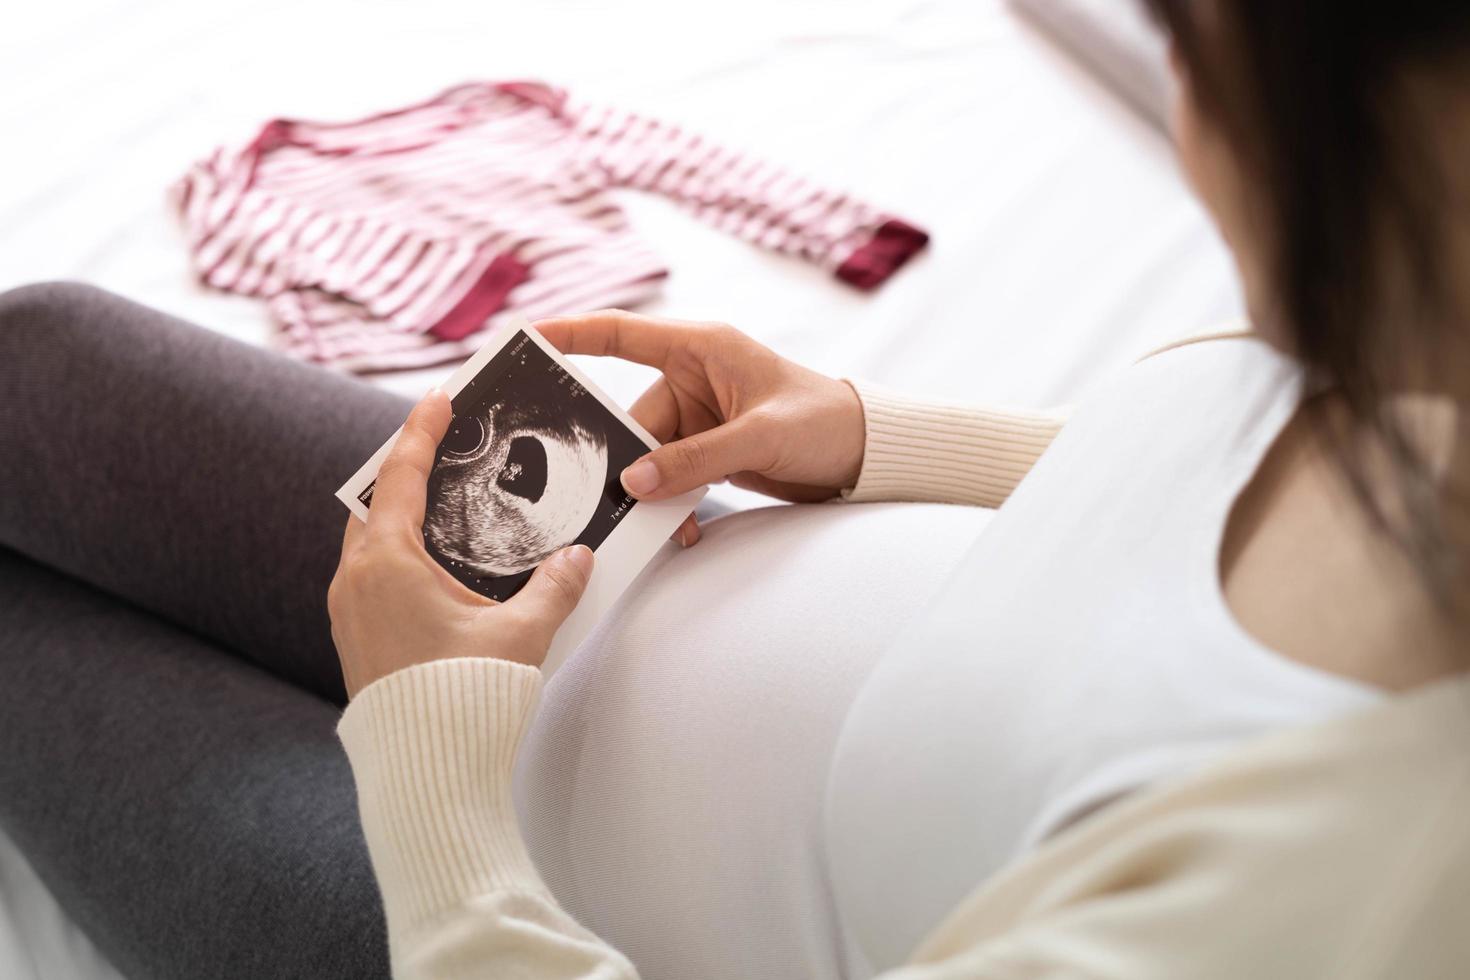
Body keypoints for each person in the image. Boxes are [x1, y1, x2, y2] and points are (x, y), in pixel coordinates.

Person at [0, 3, 1466, 980]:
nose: (1181, 111)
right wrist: (867, 437)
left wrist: (432, 759)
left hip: (501, 900)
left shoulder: (1319, 905)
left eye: (1190, 58)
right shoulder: (1415, 355)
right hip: (623, 580)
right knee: (41, 352)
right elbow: (1210, 482)